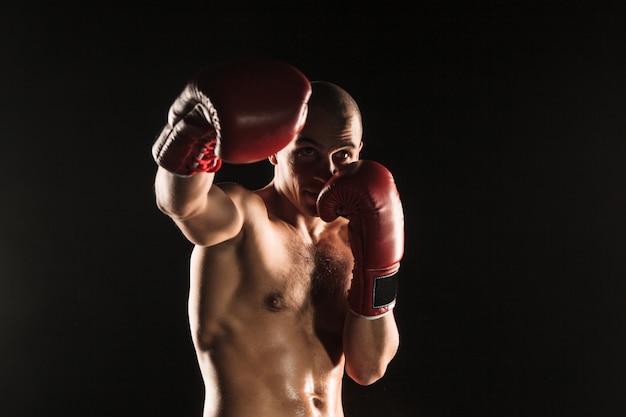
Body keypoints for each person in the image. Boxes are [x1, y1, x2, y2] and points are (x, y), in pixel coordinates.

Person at [152, 59, 404, 417]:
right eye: (307, 152)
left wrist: (379, 267)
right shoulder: (244, 218)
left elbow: (368, 369)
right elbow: (183, 205)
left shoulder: (354, 242)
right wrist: (192, 133)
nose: (327, 173)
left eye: (343, 156)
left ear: (360, 150)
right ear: (275, 149)